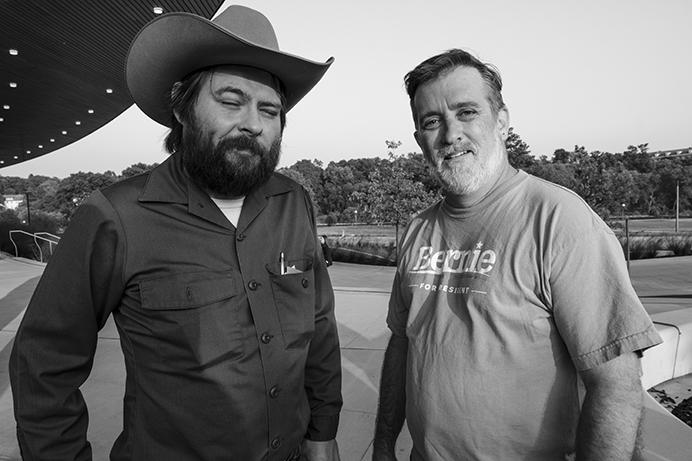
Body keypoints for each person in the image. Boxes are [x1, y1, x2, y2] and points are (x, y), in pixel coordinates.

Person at [10, 5, 342, 461]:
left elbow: (319, 329)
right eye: (231, 100)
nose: (254, 122)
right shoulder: (115, 216)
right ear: (182, 109)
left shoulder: (293, 203)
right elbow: (44, 364)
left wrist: (323, 433)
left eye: (270, 109)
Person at [373, 49, 663, 461]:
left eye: (467, 112)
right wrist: (384, 445)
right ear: (420, 139)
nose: (450, 134)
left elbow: (615, 384)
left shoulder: (559, 221)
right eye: (432, 121)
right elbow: (402, 344)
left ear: (502, 122)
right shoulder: (420, 229)